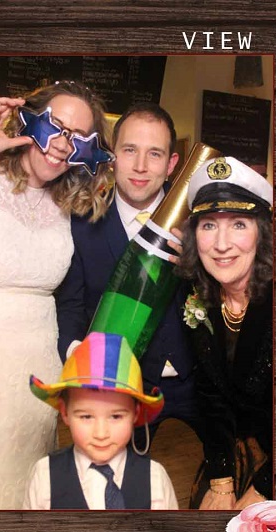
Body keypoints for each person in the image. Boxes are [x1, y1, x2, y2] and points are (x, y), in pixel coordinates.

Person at [0, 82, 112, 509]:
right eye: (55, 126)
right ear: (28, 120)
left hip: (39, 377)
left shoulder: (71, 204)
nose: (63, 144)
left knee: (26, 492)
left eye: (78, 137)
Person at [55, 102, 199, 441]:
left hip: (198, 383)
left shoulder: (199, 222)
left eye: (154, 154)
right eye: (130, 150)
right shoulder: (81, 224)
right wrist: (80, 361)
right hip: (122, 387)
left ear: (171, 164)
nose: (140, 166)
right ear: (112, 155)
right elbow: (71, 305)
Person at [175, 156, 273, 510]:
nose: (221, 244)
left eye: (238, 225)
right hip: (228, 445)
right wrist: (221, 480)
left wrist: (263, 489)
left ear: (262, 233)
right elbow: (210, 395)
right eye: (208, 226)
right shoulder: (199, 297)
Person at [24, 332, 177, 510]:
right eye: (86, 417)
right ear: (65, 412)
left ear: (136, 413)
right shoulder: (44, 477)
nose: (101, 434)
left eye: (116, 416)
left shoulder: (155, 480)